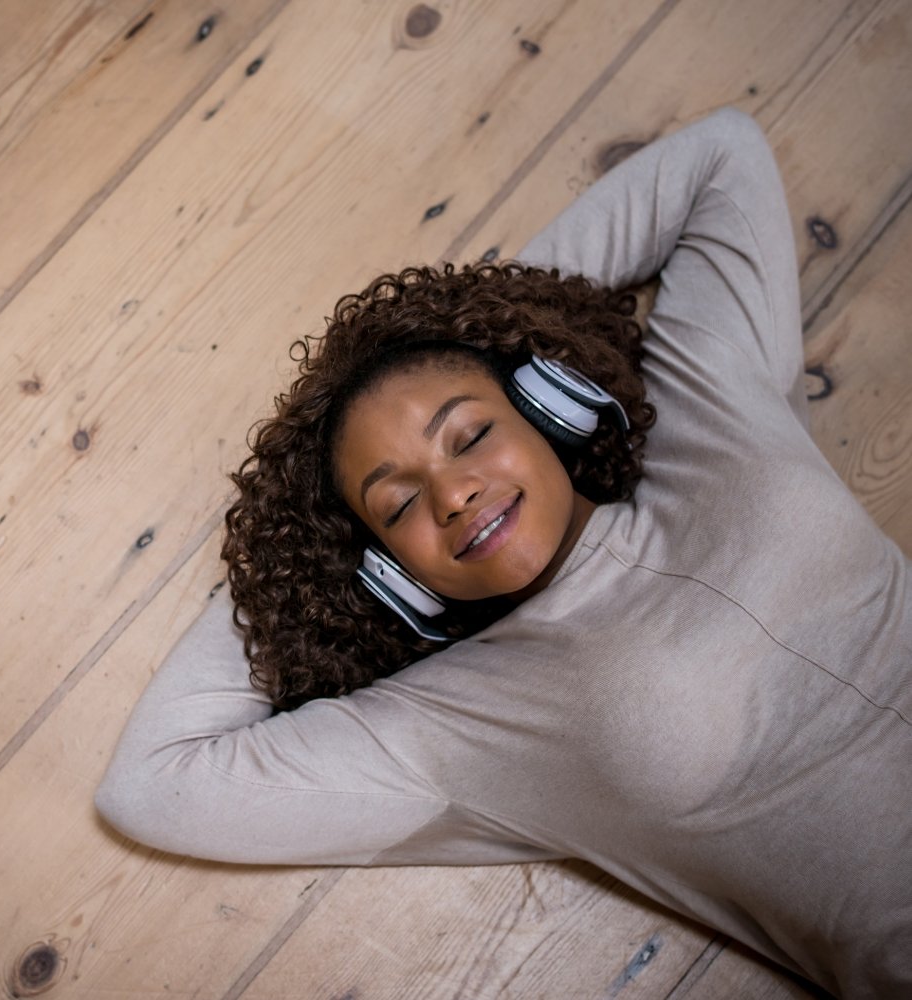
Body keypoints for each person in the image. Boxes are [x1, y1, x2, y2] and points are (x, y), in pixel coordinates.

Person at [93, 106, 910, 999]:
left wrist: (502, 318)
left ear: (549, 405)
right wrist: (290, 557)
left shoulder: (708, 407)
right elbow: (151, 786)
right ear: (390, 572)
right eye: (398, 503)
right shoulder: (466, 720)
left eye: (471, 432)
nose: (453, 493)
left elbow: (721, 158)